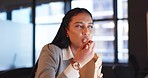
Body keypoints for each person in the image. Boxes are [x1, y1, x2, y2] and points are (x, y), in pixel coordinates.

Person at [34, 8, 103, 78]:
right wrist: (77, 64)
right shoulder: (52, 51)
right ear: (66, 30)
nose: (87, 32)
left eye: (90, 26)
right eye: (79, 26)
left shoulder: (91, 57)